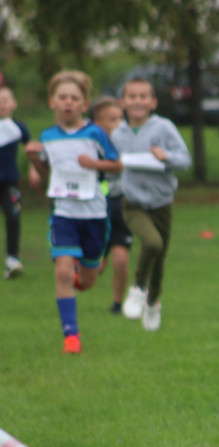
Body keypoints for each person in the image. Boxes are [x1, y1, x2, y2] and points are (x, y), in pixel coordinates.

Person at [24, 70, 121, 354]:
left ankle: (86, 272)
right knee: (63, 273)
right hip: (63, 212)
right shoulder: (48, 136)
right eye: (62, 97)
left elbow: (117, 165)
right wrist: (34, 158)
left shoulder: (95, 133)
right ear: (52, 101)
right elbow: (48, 172)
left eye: (74, 98)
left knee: (87, 281)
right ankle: (71, 337)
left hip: (94, 215)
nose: (68, 102)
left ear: (84, 103)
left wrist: (94, 164)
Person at [112, 77, 192, 330]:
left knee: (159, 255)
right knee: (152, 242)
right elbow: (113, 166)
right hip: (133, 203)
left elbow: (185, 160)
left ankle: (153, 302)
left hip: (162, 203)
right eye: (132, 96)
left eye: (143, 96)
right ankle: (137, 289)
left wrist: (165, 156)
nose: (137, 101)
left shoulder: (163, 128)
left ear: (153, 102)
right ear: (123, 102)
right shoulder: (118, 134)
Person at [91, 96, 132, 313]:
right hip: (97, 207)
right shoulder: (90, 145)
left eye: (120, 118)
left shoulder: (129, 142)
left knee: (121, 260)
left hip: (123, 206)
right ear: (98, 124)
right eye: (112, 119)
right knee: (96, 266)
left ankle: (117, 304)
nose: (119, 124)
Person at [0, 85, 40, 279]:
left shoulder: (19, 127)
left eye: (5, 100)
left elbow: (31, 149)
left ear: (13, 104)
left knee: (13, 217)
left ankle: (12, 259)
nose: (1, 104)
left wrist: (34, 169)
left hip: (10, 183)